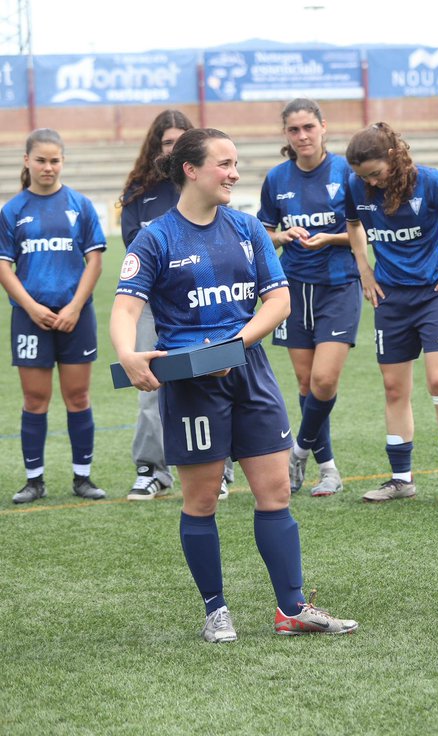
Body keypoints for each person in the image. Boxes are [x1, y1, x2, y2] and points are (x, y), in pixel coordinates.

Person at [111, 127, 357, 642]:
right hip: (192, 385)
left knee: (274, 494)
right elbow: (125, 307)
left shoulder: (246, 228)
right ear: (191, 170)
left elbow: (278, 301)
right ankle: (215, 610)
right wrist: (128, 355)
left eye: (235, 163)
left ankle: (291, 608)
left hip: (251, 372)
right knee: (201, 502)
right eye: (224, 164)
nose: (234, 173)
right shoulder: (156, 237)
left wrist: (236, 345)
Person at [345, 123, 438, 505]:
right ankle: (400, 479)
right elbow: (353, 224)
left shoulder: (429, 182)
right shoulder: (355, 186)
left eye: (375, 173)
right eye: (364, 177)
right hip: (390, 301)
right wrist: (364, 268)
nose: (371, 183)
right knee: (395, 388)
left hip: (436, 295)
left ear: (393, 157)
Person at [258, 99, 362, 497]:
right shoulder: (277, 179)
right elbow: (263, 233)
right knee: (305, 382)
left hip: (339, 286)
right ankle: (328, 469)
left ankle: (298, 451)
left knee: (324, 379)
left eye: (308, 128)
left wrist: (331, 238)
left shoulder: (345, 173)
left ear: (323, 127)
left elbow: (363, 230)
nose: (302, 136)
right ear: (286, 134)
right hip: (292, 287)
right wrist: (282, 236)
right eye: (294, 130)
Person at [1, 129, 106, 504]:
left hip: (77, 316)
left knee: (78, 396)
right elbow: (3, 266)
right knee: (35, 399)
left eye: (55, 160)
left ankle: (82, 478)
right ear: (27, 160)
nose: (48, 167)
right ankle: (34, 481)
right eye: (41, 160)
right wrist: (31, 307)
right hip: (31, 319)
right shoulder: (13, 210)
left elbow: (94, 260)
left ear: (62, 161)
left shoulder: (80, 205)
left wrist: (75, 306)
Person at [118, 110, 193, 500]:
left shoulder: (199, 184)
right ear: (156, 146)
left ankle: (221, 468)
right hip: (149, 302)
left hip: (196, 303)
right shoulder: (137, 193)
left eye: (182, 142)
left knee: (206, 378)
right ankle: (153, 470)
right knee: (150, 384)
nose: (174, 149)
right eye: (167, 142)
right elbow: (134, 249)